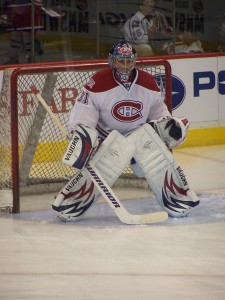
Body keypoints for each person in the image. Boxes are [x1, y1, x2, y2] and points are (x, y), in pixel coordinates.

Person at [52, 41, 199, 222]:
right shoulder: (97, 83)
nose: (125, 66)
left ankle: (178, 200)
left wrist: (172, 127)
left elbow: (159, 115)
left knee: (158, 143)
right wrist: (83, 136)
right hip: (107, 140)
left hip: (138, 137)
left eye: (129, 61)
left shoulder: (148, 82)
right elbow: (85, 113)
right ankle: (70, 205)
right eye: (120, 61)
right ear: (112, 61)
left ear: (135, 61)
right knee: (98, 164)